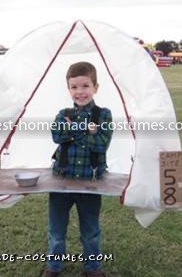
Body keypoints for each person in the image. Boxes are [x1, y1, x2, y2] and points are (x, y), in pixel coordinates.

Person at [43, 62, 113, 277]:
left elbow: (101, 144)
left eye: (85, 86)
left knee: (91, 231)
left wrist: (71, 129)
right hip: (61, 181)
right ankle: (54, 267)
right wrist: (84, 129)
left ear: (96, 87)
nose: (80, 92)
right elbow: (57, 135)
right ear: (69, 89)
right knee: (56, 231)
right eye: (74, 87)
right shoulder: (62, 113)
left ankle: (92, 269)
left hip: (90, 182)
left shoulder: (104, 115)